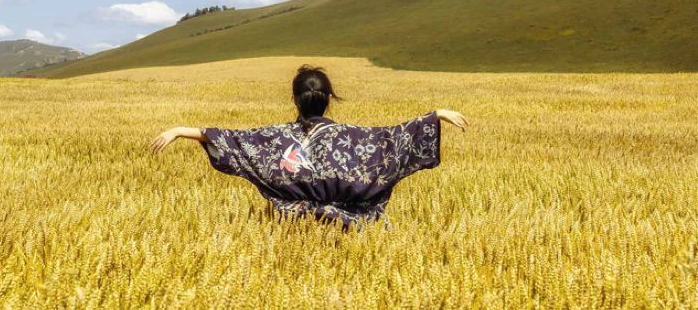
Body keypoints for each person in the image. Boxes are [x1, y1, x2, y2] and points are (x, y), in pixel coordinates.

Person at [149, 64, 469, 231]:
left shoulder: (274, 138)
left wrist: (181, 131)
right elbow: (391, 139)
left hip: (291, 227)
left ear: (295, 99)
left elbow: (236, 140)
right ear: (329, 98)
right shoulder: (354, 137)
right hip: (351, 228)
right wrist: (434, 116)